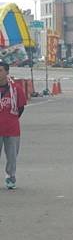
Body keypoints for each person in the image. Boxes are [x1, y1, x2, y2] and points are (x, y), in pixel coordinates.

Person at [0, 60, 26, 190]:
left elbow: (20, 107)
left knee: (12, 156)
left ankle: (10, 177)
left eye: (0, 70)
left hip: (12, 128)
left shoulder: (16, 89)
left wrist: (11, 118)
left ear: (7, 72)